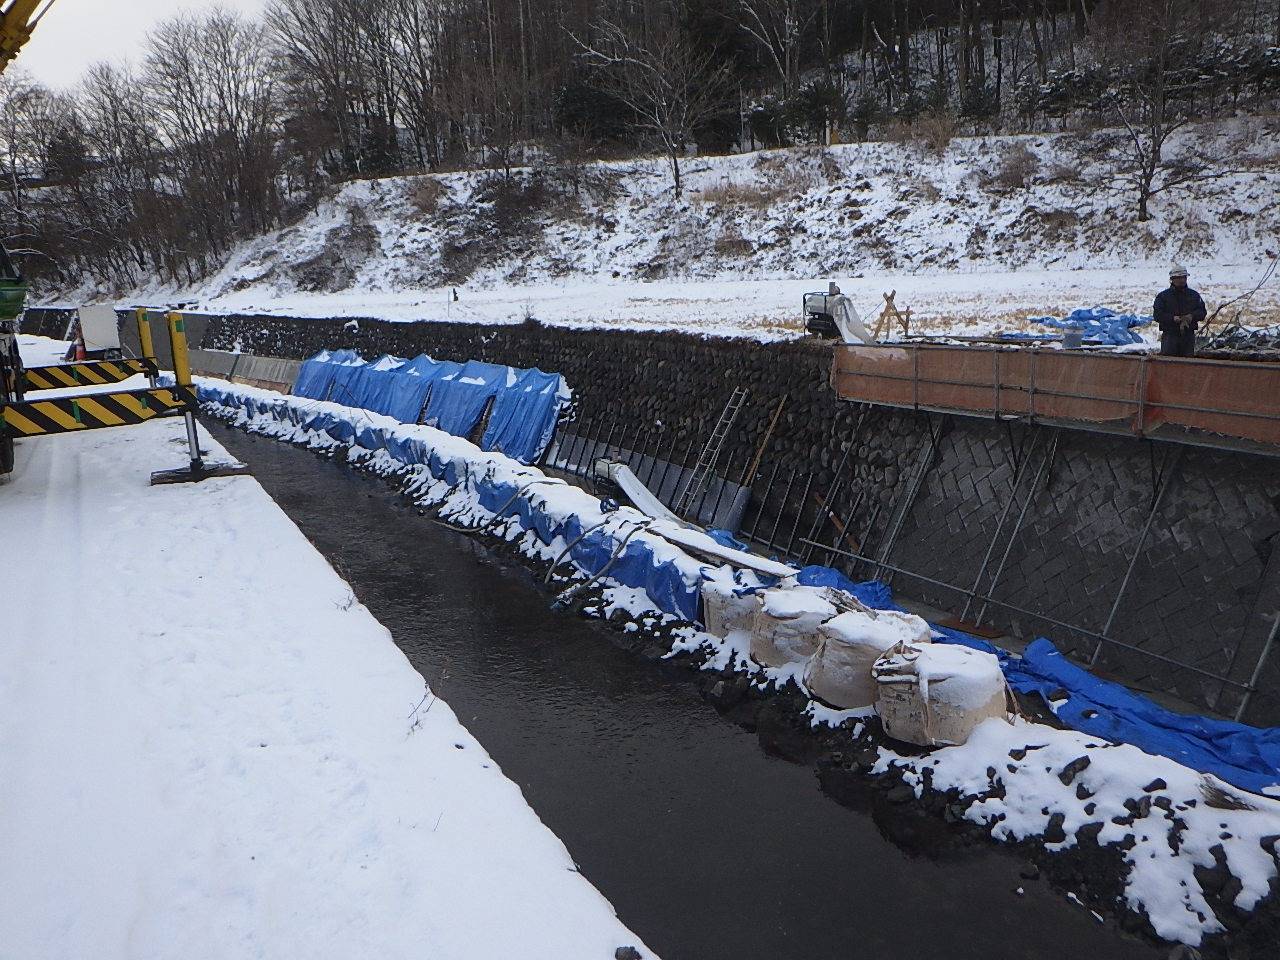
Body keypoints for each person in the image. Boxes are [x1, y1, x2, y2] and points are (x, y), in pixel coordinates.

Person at [1153, 264, 1206, 357]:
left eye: (1184, 277)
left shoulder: (1194, 295)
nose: (1182, 280)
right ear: (1172, 279)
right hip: (1170, 336)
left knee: (1187, 365)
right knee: (1168, 364)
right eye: (1179, 278)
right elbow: (1157, 315)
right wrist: (1173, 319)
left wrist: (1191, 316)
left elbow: (1202, 312)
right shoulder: (1163, 297)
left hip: (1188, 336)